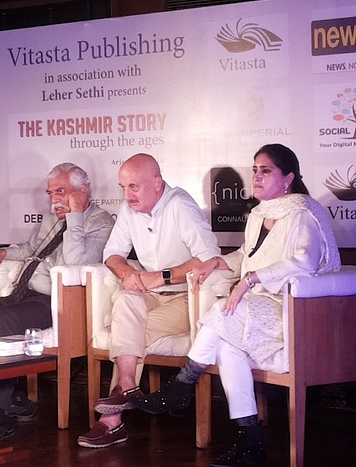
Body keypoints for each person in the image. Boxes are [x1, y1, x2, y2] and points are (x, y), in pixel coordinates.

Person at [136, 144, 341, 467]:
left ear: (288, 178)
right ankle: (251, 441)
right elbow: (247, 257)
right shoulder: (260, 214)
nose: (257, 176)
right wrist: (215, 263)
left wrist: (250, 280)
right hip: (258, 307)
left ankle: (182, 384)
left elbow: (305, 261)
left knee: (222, 311)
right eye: (255, 169)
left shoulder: (302, 212)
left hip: (289, 310)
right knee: (227, 347)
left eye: (266, 170)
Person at [0, 162, 115, 441]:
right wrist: (2, 253)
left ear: (82, 190)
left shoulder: (101, 222)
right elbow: (31, 249)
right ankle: (7, 398)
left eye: (61, 192)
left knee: (6, 320)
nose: (54, 200)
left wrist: (75, 215)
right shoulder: (51, 218)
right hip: (23, 293)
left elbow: (77, 262)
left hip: (58, 301)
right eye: (51, 193)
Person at [77, 153, 220, 448]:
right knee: (126, 300)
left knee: (127, 330)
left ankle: (111, 422)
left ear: (157, 183)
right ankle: (128, 387)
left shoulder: (180, 205)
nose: (127, 195)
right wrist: (127, 271)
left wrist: (164, 276)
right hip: (149, 294)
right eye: (123, 187)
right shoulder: (131, 209)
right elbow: (112, 254)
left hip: (185, 297)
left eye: (134, 187)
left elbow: (209, 258)